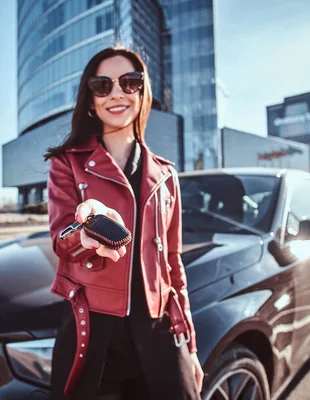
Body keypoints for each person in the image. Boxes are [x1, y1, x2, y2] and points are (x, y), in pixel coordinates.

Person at [44, 45, 204, 400]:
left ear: (142, 94)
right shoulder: (66, 164)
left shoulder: (167, 175)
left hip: (160, 330)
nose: (117, 92)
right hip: (93, 334)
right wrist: (85, 230)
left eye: (130, 82)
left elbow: (173, 262)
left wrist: (190, 346)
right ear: (90, 101)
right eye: (103, 85)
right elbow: (60, 239)